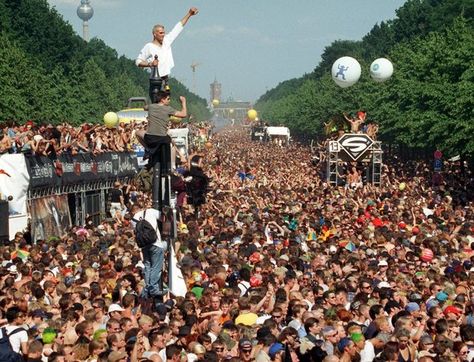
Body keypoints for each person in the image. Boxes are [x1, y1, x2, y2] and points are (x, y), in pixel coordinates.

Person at [135, 7, 199, 80]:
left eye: (164, 33)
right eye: (161, 33)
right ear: (154, 34)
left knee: (166, 90)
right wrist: (150, 64)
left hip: (165, 79)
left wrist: (189, 14)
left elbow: (178, 27)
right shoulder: (149, 46)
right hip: (155, 79)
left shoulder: (167, 41)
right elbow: (138, 61)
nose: (163, 34)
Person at [135, 92, 187, 169]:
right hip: (162, 138)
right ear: (162, 99)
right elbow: (183, 114)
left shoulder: (151, 107)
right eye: (168, 99)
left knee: (137, 133)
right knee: (171, 144)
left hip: (150, 138)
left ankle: (147, 148)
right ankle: (172, 166)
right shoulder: (168, 109)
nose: (169, 101)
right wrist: (183, 102)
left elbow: (144, 107)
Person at [131, 202, 167, 301]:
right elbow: (163, 219)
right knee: (156, 267)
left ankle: (147, 288)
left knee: (147, 265)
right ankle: (153, 288)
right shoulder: (151, 211)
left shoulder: (133, 219)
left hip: (144, 246)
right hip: (155, 243)